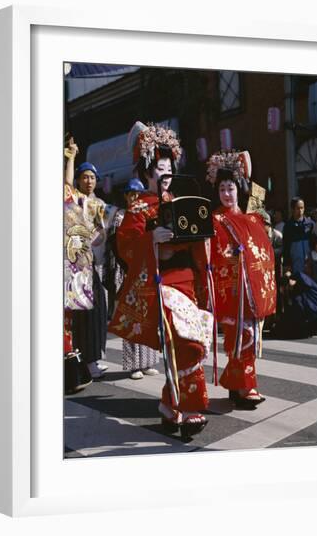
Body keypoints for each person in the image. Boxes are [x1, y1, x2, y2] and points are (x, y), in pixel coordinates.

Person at [109, 122, 214, 439]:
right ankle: (190, 404)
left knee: (186, 343)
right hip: (161, 284)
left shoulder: (182, 201)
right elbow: (126, 245)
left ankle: (171, 406)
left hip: (185, 282)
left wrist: (202, 238)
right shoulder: (139, 207)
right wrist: (152, 239)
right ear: (147, 172)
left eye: (169, 171)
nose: (165, 177)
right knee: (184, 343)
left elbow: (200, 244)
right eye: (159, 170)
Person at [207, 151, 276, 408]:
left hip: (252, 290)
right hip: (231, 290)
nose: (227, 193)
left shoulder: (251, 218)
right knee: (241, 338)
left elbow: (263, 250)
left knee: (250, 338)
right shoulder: (214, 220)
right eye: (222, 189)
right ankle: (244, 387)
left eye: (231, 188)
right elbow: (212, 254)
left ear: (239, 190)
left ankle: (239, 386)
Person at [64, 138, 117, 379]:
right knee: (84, 314)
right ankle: (87, 360)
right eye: (84, 176)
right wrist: (71, 157)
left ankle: (93, 357)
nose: (89, 180)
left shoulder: (99, 204)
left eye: (92, 177)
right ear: (78, 180)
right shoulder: (75, 200)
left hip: (94, 263)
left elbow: (109, 226)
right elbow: (66, 184)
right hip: (76, 265)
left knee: (98, 310)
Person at [106, 178, 160, 380]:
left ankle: (148, 361)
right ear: (126, 196)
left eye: (137, 194)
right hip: (127, 268)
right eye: (131, 194)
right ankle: (132, 365)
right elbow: (117, 247)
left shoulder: (149, 211)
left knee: (148, 313)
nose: (134, 198)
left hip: (147, 267)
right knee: (131, 315)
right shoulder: (121, 217)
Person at [282, 196, 315, 274]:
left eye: (302, 208)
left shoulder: (310, 224)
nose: (300, 211)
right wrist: (287, 265)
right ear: (292, 209)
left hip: (310, 264)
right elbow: (286, 247)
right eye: (298, 208)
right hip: (295, 265)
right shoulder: (288, 226)